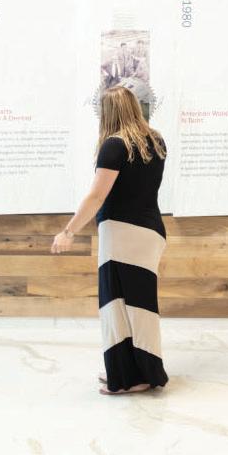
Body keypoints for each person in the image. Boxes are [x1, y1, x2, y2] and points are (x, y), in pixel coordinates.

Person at [51, 86, 169, 396]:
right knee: (141, 307)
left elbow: (96, 196)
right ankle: (138, 371)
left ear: (107, 112)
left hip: (122, 234)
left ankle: (130, 377)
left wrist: (68, 232)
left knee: (117, 305)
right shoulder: (155, 141)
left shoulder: (114, 146)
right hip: (150, 231)